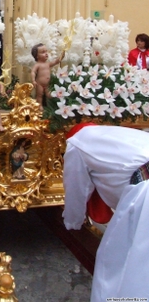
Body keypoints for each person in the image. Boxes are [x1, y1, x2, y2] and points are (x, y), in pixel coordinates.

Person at [63, 122, 149, 301]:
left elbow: (76, 188)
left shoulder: (77, 143)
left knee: (118, 263)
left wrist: (72, 222)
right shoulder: (118, 134)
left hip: (144, 195)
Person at [31, 43, 64, 109]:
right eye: (43, 52)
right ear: (37, 56)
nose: (46, 53)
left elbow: (56, 61)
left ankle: (50, 107)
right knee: (39, 95)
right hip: (39, 84)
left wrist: (62, 55)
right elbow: (33, 72)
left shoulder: (47, 64)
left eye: (46, 51)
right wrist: (33, 80)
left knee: (50, 95)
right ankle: (39, 106)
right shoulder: (38, 65)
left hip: (47, 85)